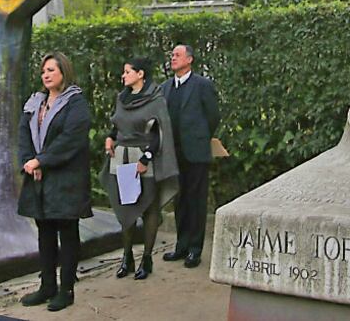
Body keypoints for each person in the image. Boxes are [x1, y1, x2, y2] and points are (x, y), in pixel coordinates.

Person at [17, 52, 92, 312]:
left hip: (66, 178)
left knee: (67, 234)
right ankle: (46, 286)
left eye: (51, 70)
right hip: (39, 177)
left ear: (64, 72)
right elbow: (23, 132)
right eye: (44, 71)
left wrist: (42, 161)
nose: (46, 75)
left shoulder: (75, 103)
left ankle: (66, 289)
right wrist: (29, 161)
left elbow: (71, 139)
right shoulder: (35, 102)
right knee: (45, 233)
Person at [101, 57, 178, 280]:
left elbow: (159, 133)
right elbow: (117, 126)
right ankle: (127, 257)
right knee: (126, 208)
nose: (123, 76)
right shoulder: (122, 98)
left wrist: (146, 158)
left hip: (144, 159)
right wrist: (110, 137)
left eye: (127, 71)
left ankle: (147, 257)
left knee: (149, 207)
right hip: (123, 159)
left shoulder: (156, 100)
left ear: (141, 74)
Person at [161, 44, 220, 269]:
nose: (173, 58)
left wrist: (200, 137)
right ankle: (181, 245)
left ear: (190, 59)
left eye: (177, 55)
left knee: (196, 200)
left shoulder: (202, 85)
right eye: (172, 55)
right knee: (180, 200)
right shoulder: (166, 87)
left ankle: (195, 249)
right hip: (173, 154)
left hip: (195, 153)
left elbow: (213, 115)